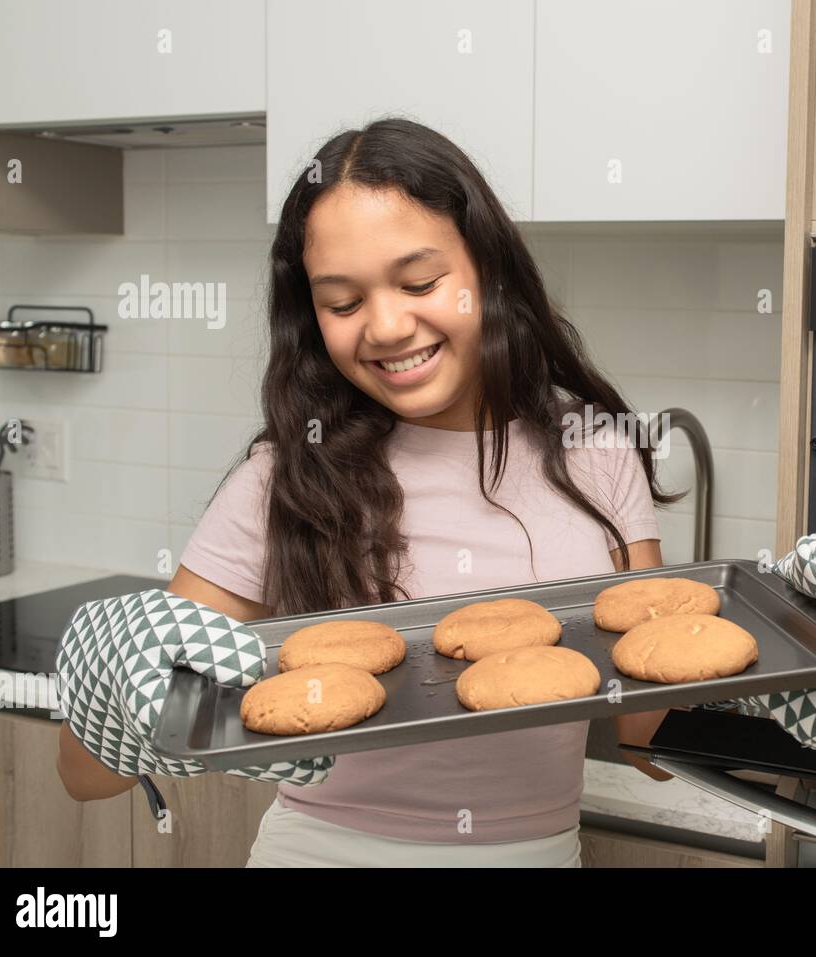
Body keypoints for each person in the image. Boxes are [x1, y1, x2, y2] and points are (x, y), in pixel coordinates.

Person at [55, 117, 685, 867]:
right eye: (343, 303)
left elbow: (651, 736)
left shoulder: (594, 455)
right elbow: (84, 777)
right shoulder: (286, 479)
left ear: (488, 268)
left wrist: (796, 686)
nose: (386, 326)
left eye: (419, 282)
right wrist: (113, 675)